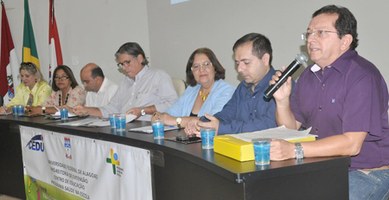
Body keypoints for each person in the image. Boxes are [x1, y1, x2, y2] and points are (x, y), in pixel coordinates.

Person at [270, 5, 389, 200]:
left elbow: (352, 145)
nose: (310, 39)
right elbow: (291, 129)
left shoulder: (362, 76)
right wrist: (282, 101)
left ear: (345, 41)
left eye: (321, 33)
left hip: (367, 170)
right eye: (308, 33)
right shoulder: (308, 76)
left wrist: (294, 150)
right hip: (322, 165)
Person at [185, 33, 277, 135]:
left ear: (265, 59)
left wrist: (221, 128)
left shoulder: (280, 85)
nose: (239, 69)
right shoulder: (243, 87)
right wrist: (202, 123)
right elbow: (227, 114)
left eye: (246, 62)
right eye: (237, 63)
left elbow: (269, 125)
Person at [73, 42, 178, 120]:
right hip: (126, 129)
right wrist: (87, 110)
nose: (124, 67)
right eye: (121, 64)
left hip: (150, 128)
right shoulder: (125, 82)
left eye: (127, 62)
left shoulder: (158, 76)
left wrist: (143, 111)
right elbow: (112, 108)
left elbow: (173, 104)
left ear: (140, 58)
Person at [152, 47, 235, 128]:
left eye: (206, 64)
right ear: (192, 72)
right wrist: (158, 116)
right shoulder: (192, 89)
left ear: (215, 68)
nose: (201, 69)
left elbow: (211, 122)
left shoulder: (227, 91)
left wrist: (176, 121)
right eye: (196, 66)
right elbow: (169, 114)